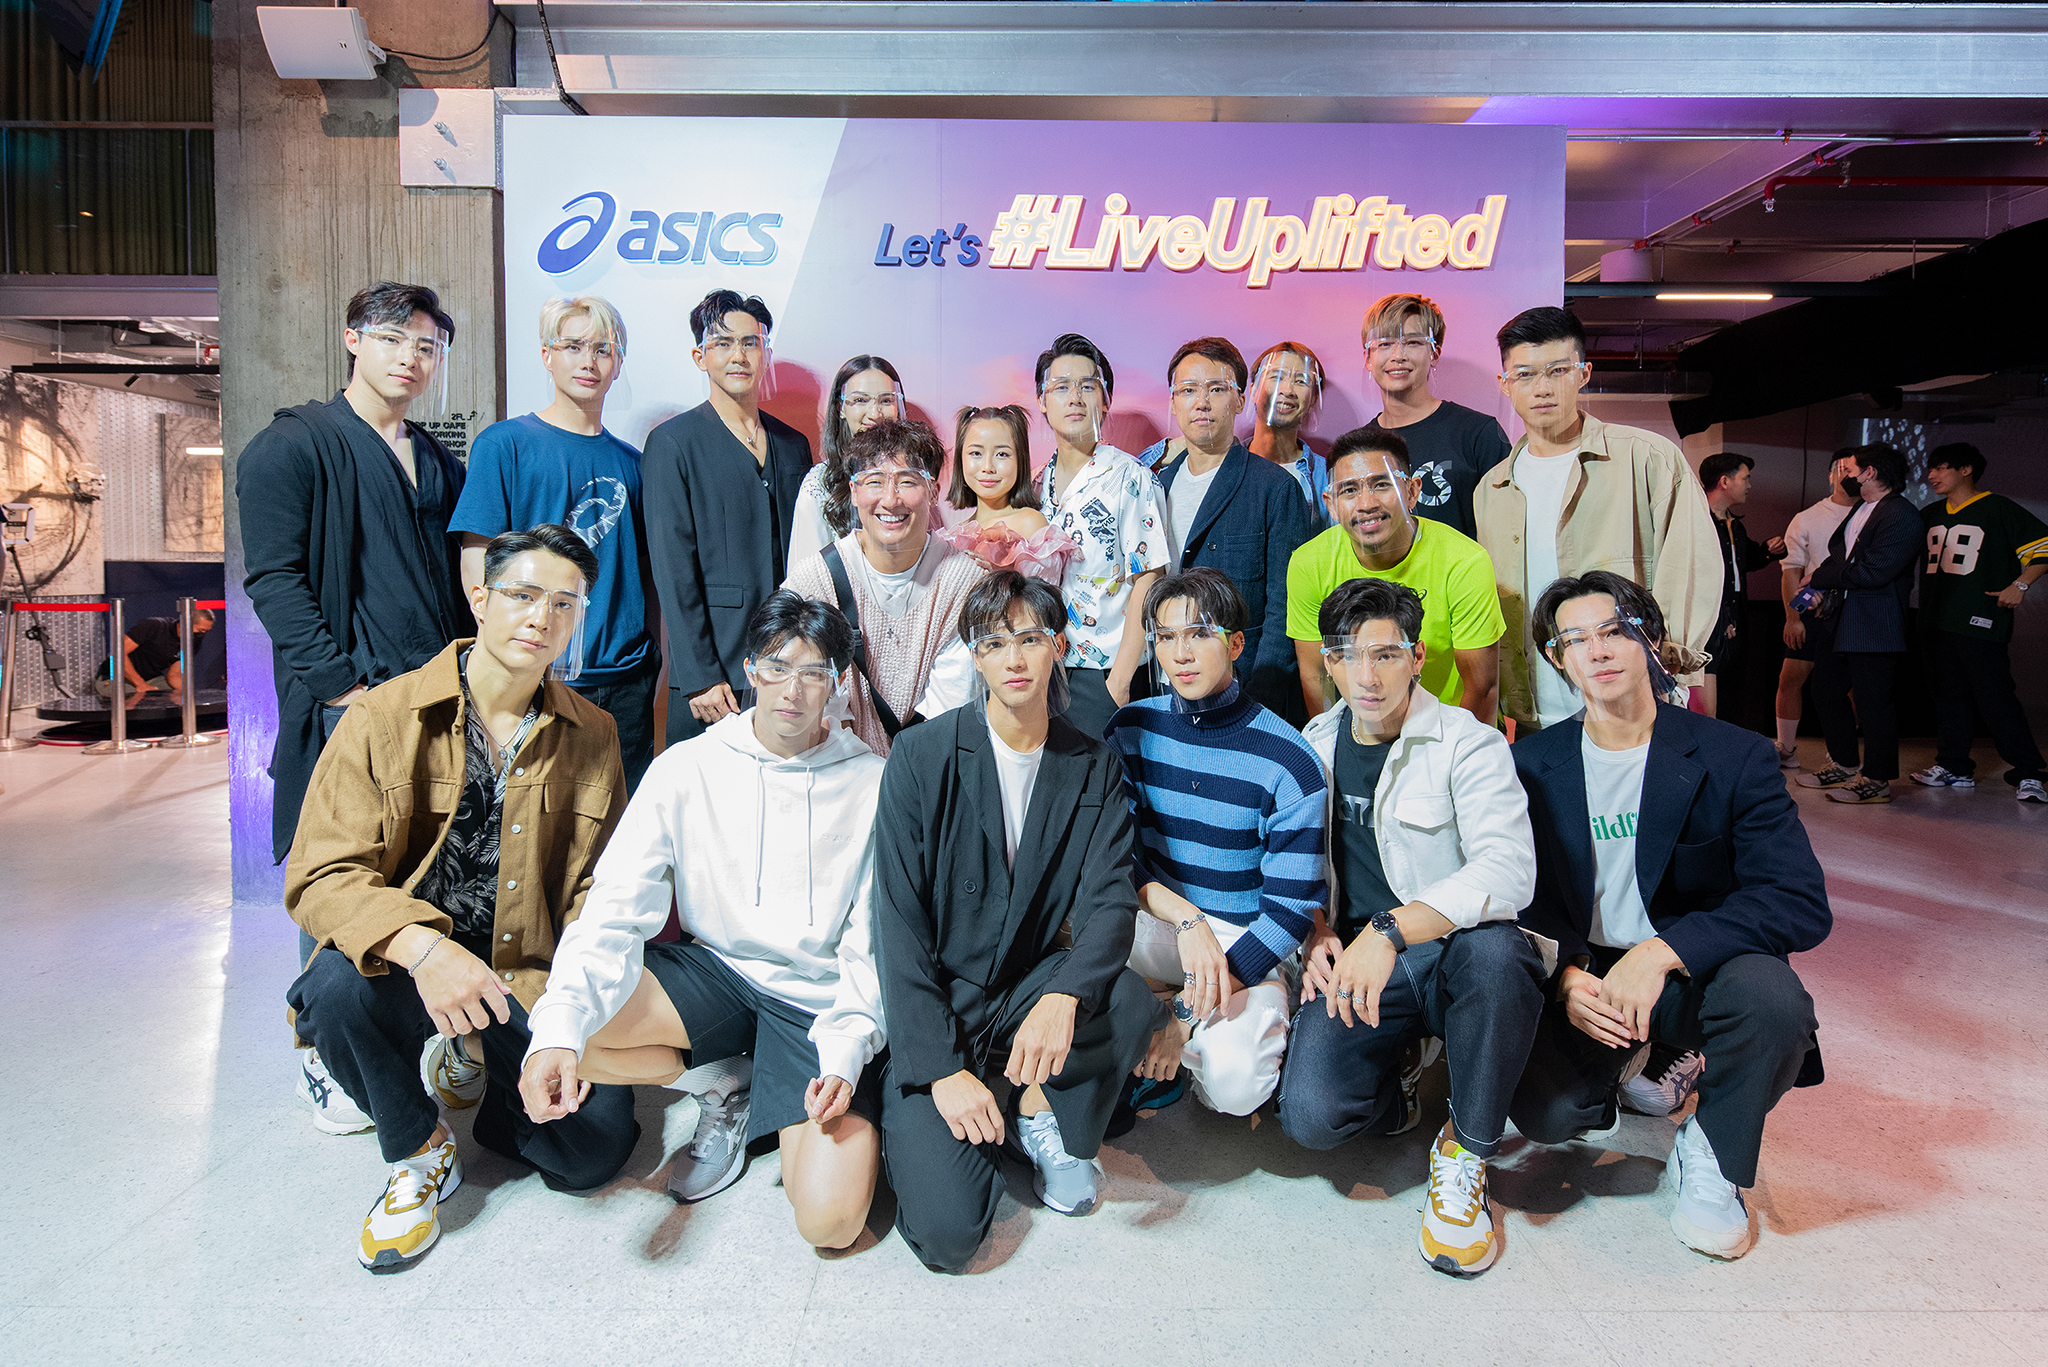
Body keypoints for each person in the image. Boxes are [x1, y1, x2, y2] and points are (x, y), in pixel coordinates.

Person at [283, 525, 636, 1270]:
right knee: (334, 990)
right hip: (409, 964)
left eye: (564, 604)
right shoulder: (383, 717)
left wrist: (565, 1023)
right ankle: (419, 1149)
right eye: (523, 595)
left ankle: (479, 1063)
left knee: (590, 1151)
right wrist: (425, 949)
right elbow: (320, 875)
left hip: (522, 973)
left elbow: (598, 893)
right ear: (480, 597)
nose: (542, 618)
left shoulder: (594, 733)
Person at [518, 591, 887, 1248]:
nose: (793, 691)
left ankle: (773, 1086)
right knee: (572, 1026)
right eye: (777, 667)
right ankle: (724, 1087)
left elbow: (872, 942)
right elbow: (615, 904)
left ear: (837, 682)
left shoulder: (873, 782)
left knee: (829, 1221)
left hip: (817, 1000)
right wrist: (558, 1029)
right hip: (719, 972)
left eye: (814, 673)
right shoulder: (687, 767)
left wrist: (846, 1049)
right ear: (749, 670)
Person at [1508, 571, 1829, 1261]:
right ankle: (1642, 1061)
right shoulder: (1530, 763)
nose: (1597, 650)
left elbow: (1797, 898)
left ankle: (1710, 1147)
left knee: (1774, 1005)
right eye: (1575, 639)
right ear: (1558, 659)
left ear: (1650, 638)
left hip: (1689, 968)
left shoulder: (1733, 755)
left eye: (1614, 630)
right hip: (1592, 977)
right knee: (1549, 1114)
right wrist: (1564, 975)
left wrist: (1662, 951)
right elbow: (1518, 892)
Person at [873, 570, 1157, 1273]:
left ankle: (1038, 1111)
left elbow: (1111, 899)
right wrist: (941, 1070)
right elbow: (897, 926)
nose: (1015, 658)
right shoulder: (921, 754)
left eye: (1031, 639)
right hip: (943, 1008)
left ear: (1059, 646)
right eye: (995, 643)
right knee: (949, 1235)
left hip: (1027, 987)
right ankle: (942, 1110)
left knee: (1124, 998)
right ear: (975, 656)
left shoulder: (1091, 764)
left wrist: (1064, 995)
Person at [238, 280, 470, 1133]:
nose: (411, 357)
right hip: (351, 706)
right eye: (393, 338)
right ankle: (320, 1053)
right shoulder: (294, 444)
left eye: (427, 345)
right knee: (337, 879)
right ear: (352, 339)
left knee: (423, 873)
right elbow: (274, 579)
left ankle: (410, 1035)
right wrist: (342, 687)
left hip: (430, 702)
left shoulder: (437, 458)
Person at [1278, 577, 1546, 1278]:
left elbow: (1509, 872)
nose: (1367, 676)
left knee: (1500, 954)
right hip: (1361, 961)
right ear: (1328, 662)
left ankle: (1467, 1149)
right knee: (1312, 1117)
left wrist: (1388, 930)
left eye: (1386, 654)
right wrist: (1315, 930)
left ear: (1418, 657)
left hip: (1450, 950)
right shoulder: (1313, 745)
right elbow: (1300, 861)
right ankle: (1402, 1066)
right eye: (1348, 656)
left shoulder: (1468, 742)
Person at [1107, 568, 1327, 1121]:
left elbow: (1290, 910)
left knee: (1236, 1086)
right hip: (1157, 918)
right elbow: (1112, 860)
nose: (1181, 653)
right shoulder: (1131, 729)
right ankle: (1158, 1022)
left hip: (1242, 936)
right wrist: (1184, 919)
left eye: (1200, 634)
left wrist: (1184, 1017)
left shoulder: (1289, 758)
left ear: (1235, 644)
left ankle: (1193, 1034)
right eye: (1166, 637)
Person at [1474, 306, 1719, 733]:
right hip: (1535, 708)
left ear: (1584, 373)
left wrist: (1668, 664)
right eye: (1525, 375)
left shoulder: (1646, 458)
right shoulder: (1492, 488)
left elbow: (1692, 564)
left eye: (1557, 371)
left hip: (1634, 700)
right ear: (1505, 384)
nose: (1542, 388)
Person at [452, 295, 661, 792]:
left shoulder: (634, 464)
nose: (588, 361)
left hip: (624, 681)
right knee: (525, 822)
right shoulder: (504, 445)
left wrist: (653, 666)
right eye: (573, 346)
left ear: (618, 364)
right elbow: (477, 560)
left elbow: (648, 579)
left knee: (615, 824)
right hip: (532, 677)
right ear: (547, 355)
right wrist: (508, 655)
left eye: (603, 349)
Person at [643, 289, 811, 745]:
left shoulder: (793, 444)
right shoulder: (672, 443)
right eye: (723, 343)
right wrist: (699, 674)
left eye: (750, 343)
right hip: (714, 672)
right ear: (700, 357)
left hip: (787, 663)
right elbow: (672, 567)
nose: (739, 355)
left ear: (765, 353)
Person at [783, 419, 984, 757]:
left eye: (907, 481)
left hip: (930, 766)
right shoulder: (815, 581)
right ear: (853, 491)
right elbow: (807, 698)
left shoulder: (963, 583)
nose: (890, 500)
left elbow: (949, 707)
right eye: (874, 481)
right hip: (836, 765)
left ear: (933, 491)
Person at [1140, 337, 1316, 722]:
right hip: (1163, 688)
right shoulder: (1153, 486)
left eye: (1217, 389)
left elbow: (1285, 607)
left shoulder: (1275, 488)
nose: (1202, 402)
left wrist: (1260, 699)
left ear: (1239, 400)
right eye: (1188, 390)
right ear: (1173, 403)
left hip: (1242, 692)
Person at [1288, 427, 1504, 724]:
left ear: (1412, 491)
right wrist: (1332, 742)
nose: (1366, 504)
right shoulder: (1308, 563)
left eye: (1382, 484)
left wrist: (1451, 748)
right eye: (1349, 490)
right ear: (1331, 505)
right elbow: (1316, 677)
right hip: (1361, 730)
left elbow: (1481, 687)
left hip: (1448, 726)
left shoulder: (1464, 561)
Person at [1033, 332, 1171, 739]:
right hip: (1044, 665)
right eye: (1061, 387)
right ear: (1042, 401)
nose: (1074, 398)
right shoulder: (1036, 483)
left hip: (1104, 671)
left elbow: (1149, 576)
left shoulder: (1130, 476)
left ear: (1105, 400)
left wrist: (1120, 681)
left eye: (1087, 386)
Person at [1910, 442, 2048, 802]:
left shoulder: (1998, 508)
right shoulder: (1929, 513)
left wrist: (2020, 585)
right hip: (1935, 620)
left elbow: (2044, 548)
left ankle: (2029, 773)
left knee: (1995, 697)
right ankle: (1954, 765)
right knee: (1947, 696)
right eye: (1931, 468)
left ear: (1966, 469)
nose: (1932, 475)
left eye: (1941, 467)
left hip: (1980, 620)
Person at [1799, 443, 1922, 805]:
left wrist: (1820, 577)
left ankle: (1878, 779)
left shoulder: (1901, 514)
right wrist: (1817, 587)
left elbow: (1874, 571)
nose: (1844, 475)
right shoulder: (1862, 508)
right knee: (1825, 691)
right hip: (1841, 618)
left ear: (1870, 473)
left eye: (1849, 469)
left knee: (1873, 703)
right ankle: (1845, 763)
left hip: (1874, 623)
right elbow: (1841, 557)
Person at [1358, 293, 1511, 541]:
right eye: (1384, 344)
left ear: (1434, 353)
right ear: (1368, 358)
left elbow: (1507, 530)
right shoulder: (1357, 446)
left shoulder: (1478, 433)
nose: (1398, 355)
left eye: (1412, 342)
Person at [1773, 449, 1862, 768]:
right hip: (1812, 607)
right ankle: (1786, 748)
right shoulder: (1807, 517)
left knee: (1851, 686)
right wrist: (1793, 617)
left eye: (1853, 469)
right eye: (1841, 469)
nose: (1847, 475)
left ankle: (1840, 753)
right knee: (1790, 678)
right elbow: (1791, 571)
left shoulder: (1872, 513)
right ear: (1830, 475)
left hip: (1855, 608)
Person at [934, 403, 1077, 583]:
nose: (988, 467)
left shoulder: (1029, 524)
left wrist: (993, 580)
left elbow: (1041, 598)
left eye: (1002, 454)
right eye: (976, 453)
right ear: (960, 459)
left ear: (1020, 460)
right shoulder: (953, 537)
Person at [789, 354, 909, 565]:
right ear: (840, 407)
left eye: (886, 400)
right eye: (860, 400)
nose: (875, 413)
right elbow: (805, 575)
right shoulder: (820, 483)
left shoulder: (913, 475)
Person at [1697, 452, 1787, 722]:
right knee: (1708, 680)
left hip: (1737, 614)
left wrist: (1770, 551)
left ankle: (1727, 739)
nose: (1749, 485)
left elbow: (1744, 562)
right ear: (1725, 481)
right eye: (1745, 478)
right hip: (1710, 616)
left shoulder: (1734, 525)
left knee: (1732, 683)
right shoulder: (1697, 521)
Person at [1246, 340, 1332, 527]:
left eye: (1301, 381)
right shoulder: (1225, 467)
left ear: (1313, 399)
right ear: (1253, 391)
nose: (1287, 390)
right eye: (1277, 377)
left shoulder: (1327, 477)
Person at [93, 606, 213, 703]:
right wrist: (141, 685)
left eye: (205, 631)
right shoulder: (154, 626)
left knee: (173, 698)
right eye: (200, 630)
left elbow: (174, 675)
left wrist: (186, 695)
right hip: (115, 678)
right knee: (137, 700)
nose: (202, 634)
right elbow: (117, 654)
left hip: (152, 679)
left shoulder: (194, 641)